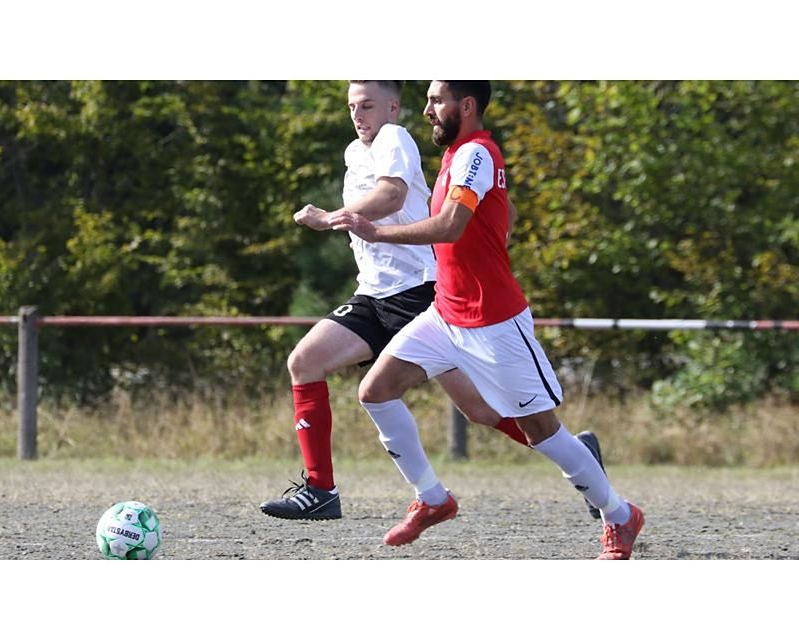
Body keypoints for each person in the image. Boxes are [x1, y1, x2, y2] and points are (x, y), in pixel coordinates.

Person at [259, 80, 605, 523]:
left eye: (367, 104)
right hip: (374, 294)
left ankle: (578, 455)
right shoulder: (354, 152)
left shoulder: (394, 137)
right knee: (304, 362)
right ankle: (320, 489)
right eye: (351, 106)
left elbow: (393, 195)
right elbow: (503, 213)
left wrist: (330, 219)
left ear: (393, 107)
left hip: (419, 291)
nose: (358, 114)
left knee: (479, 409)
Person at [328, 81, 643, 559]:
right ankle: (433, 499)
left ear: (466, 105)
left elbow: (452, 224)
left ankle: (620, 515)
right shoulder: (459, 154)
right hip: (445, 313)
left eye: (437, 101)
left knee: (543, 432)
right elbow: (505, 213)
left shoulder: (475, 153)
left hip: (494, 322)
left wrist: (378, 232)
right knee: (376, 391)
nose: (428, 110)